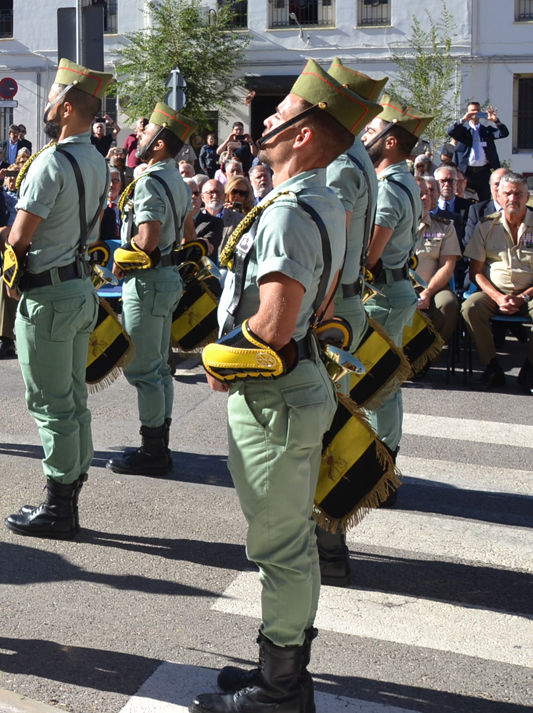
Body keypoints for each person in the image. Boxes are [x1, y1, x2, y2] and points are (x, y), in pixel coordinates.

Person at [191, 59, 373, 713]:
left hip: (275, 399)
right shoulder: (323, 200)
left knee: (281, 545)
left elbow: (272, 324)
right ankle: (280, 660)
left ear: (303, 135)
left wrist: (219, 359)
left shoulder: (293, 211)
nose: (267, 117)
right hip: (294, 391)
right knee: (287, 540)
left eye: (281, 112)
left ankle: (280, 688)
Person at [2, 59, 112, 540]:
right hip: (80, 287)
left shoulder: (50, 161)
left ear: (66, 108)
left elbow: (21, 237)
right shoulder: (96, 158)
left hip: (48, 293)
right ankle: (71, 488)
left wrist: (9, 268)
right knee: (72, 398)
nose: (45, 106)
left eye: (50, 99)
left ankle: (59, 503)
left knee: (51, 404)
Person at [109, 103, 198, 478]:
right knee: (161, 369)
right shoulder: (177, 179)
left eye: (146, 132)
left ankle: (152, 450)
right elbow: (190, 235)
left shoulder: (150, 181)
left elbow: (147, 238)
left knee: (144, 370)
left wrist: (120, 261)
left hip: (146, 282)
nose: (139, 134)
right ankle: (159, 444)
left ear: (160, 144)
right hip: (168, 278)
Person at [362, 99, 430, 457]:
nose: (364, 137)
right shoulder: (403, 180)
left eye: (371, 131)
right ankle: (383, 455)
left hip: (384, 293)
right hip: (395, 289)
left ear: (390, 141)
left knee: (380, 382)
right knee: (386, 381)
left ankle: (381, 460)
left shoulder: (389, 187)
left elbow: (371, 255)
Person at [462, 172, 533, 394]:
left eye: (518, 194)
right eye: (507, 193)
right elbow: (476, 273)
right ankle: (492, 367)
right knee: (470, 307)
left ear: (528, 197)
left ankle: (529, 370)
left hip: (531, 295)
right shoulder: (485, 226)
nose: (512, 198)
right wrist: (498, 297)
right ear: (498, 196)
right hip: (494, 293)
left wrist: (523, 297)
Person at [323, 60, 386, 384]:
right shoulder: (354, 150)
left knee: (327, 411)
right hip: (347, 295)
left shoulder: (341, 161)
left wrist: (323, 309)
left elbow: (336, 239)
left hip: (335, 302)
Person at [415, 178, 463, 344]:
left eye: (427, 194)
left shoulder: (444, 226)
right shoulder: (392, 225)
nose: (425, 198)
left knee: (447, 304)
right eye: (420, 194)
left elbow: (447, 265)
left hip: (433, 287)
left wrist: (427, 293)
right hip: (399, 286)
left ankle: (427, 356)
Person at [447, 101, 509, 203]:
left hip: (483, 173)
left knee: (484, 201)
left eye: (477, 111)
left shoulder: (486, 131)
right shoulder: (463, 131)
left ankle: (482, 218)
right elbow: (450, 132)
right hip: (466, 173)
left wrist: (496, 121)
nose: (475, 113)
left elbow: (504, 133)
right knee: (463, 200)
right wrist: (463, 120)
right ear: (467, 113)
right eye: (472, 111)